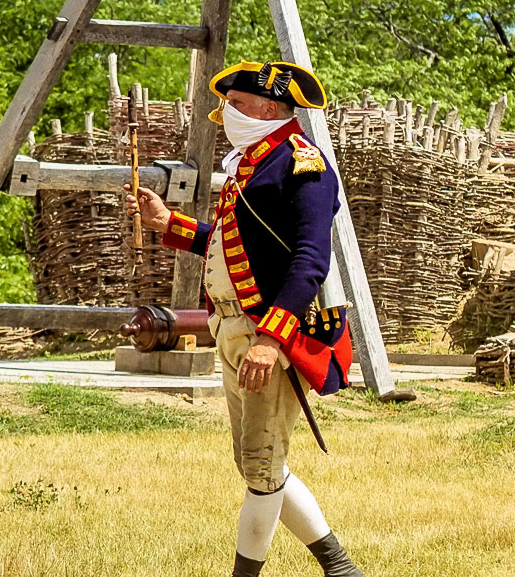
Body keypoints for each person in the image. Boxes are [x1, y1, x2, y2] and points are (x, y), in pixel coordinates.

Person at [124, 61, 364, 577]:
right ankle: (341, 569)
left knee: (260, 467)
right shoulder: (253, 165)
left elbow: (308, 260)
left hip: (267, 334)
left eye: (235, 103)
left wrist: (272, 341)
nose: (226, 113)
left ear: (269, 108)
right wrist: (170, 223)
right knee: (261, 464)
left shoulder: (303, 163)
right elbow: (235, 244)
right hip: (233, 329)